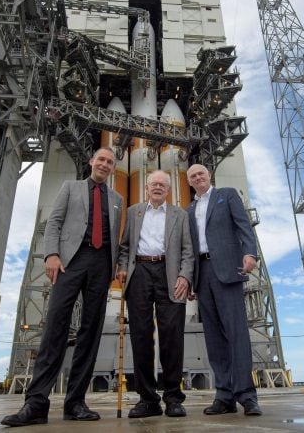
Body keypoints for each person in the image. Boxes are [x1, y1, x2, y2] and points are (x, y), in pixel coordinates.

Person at [2, 148, 124, 427]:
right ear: (91, 161)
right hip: (70, 261)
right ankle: (35, 404)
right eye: (101, 160)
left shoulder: (116, 199)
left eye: (109, 162)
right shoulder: (71, 188)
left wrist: (115, 265)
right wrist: (51, 255)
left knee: (90, 333)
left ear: (112, 168)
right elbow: (54, 222)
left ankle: (76, 402)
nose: (104, 164)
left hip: (101, 265)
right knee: (55, 326)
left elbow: (116, 238)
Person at [115, 170, 195, 419]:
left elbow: (188, 250)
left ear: (169, 190)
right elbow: (125, 245)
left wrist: (185, 276)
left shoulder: (179, 215)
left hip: (169, 274)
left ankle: (173, 398)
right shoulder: (133, 211)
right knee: (140, 336)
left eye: (163, 184)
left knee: (172, 336)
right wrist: (123, 266)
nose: (158, 187)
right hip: (139, 272)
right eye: (154, 184)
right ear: (146, 188)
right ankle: (147, 399)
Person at [185, 163, 263, 417]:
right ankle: (224, 395)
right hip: (203, 274)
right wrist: (189, 279)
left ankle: (247, 395)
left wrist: (250, 252)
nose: (198, 178)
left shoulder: (226, 195)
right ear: (189, 182)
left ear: (209, 176)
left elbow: (244, 226)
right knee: (214, 338)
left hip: (228, 271)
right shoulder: (190, 209)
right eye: (193, 176)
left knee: (237, 333)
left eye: (201, 174)